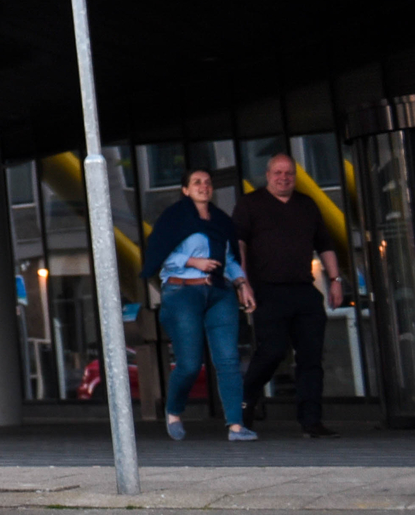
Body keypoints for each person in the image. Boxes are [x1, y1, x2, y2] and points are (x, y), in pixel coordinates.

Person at [234, 152, 346, 438]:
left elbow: (325, 244)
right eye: (278, 173)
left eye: (289, 174)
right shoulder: (251, 204)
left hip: (304, 290)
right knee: (271, 352)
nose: (284, 178)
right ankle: (242, 407)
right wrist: (242, 283)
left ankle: (311, 421)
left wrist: (335, 280)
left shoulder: (307, 205)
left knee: (311, 357)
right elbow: (240, 246)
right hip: (267, 290)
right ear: (268, 175)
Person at [143, 167, 250, 441]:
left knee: (228, 360)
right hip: (182, 292)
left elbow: (232, 260)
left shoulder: (222, 221)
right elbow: (159, 255)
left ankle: (236, 426)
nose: (204, 186)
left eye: (207, 182)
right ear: (186, 190)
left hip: (219, 292)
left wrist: (242, 284)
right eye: (197, 182)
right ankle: (174, 410)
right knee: (190, 364)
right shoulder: (174, 218)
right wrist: (193, 262)